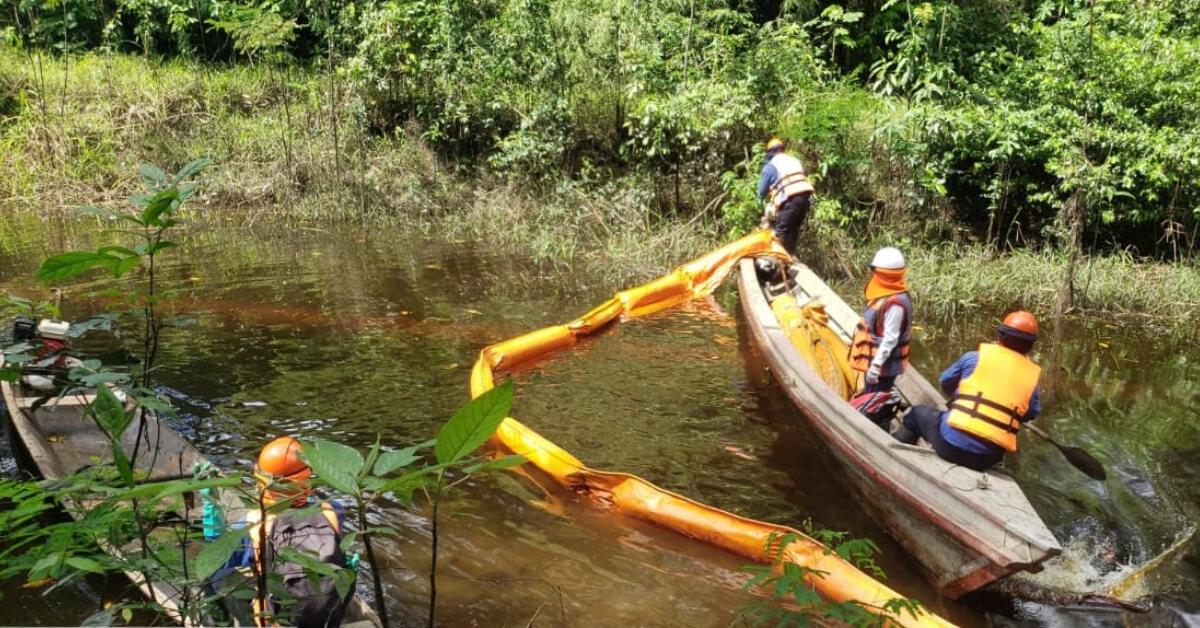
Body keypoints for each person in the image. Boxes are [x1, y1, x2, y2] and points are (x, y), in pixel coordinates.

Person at [226, 436, 354, 628]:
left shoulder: (251, 523)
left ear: (263, 482)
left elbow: (227, 570)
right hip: (329, 616)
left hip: (278, 621)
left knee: (225, 581)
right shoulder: (333, 510)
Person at [892, 311, 1043, 472]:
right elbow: (1030, 413)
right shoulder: (1030, 379)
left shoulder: (974, 358)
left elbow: (945, 381)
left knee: (916, 414)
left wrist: (960, 396)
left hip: (949, 445)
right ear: (1030, 347)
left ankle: (895, 460)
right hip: (988, 458)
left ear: (1000, 336)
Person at [848, 247, 912, 394]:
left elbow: (890, 338)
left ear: (884, 274)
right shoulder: (886, 293)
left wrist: (875, 367)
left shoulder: (895, 304)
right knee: (870, 394)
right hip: (874, 359)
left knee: (873, 400)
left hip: (883, 367)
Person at [757, 137, 814, 255]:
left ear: (770, 153)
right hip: (805, 198)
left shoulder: (771, 166)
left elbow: (762, 190)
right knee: (793, 230)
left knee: (781, 230)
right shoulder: (794, 160)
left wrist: (760, 199)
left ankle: (780, 262)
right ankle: (789, 257)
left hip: (791, 199)